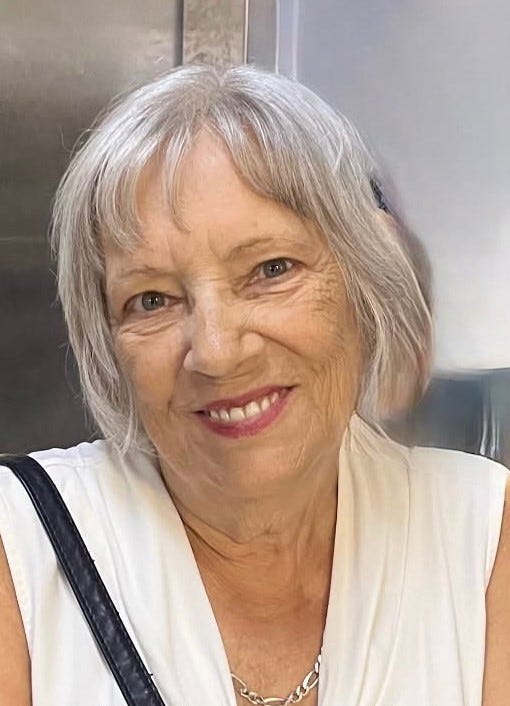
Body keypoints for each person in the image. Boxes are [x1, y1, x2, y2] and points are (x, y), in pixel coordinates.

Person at [0, 64, 508, 706]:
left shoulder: (482, 536)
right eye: (152, 299)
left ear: (363, 284)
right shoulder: (18, 552)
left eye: (271, 270)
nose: (216, 352)